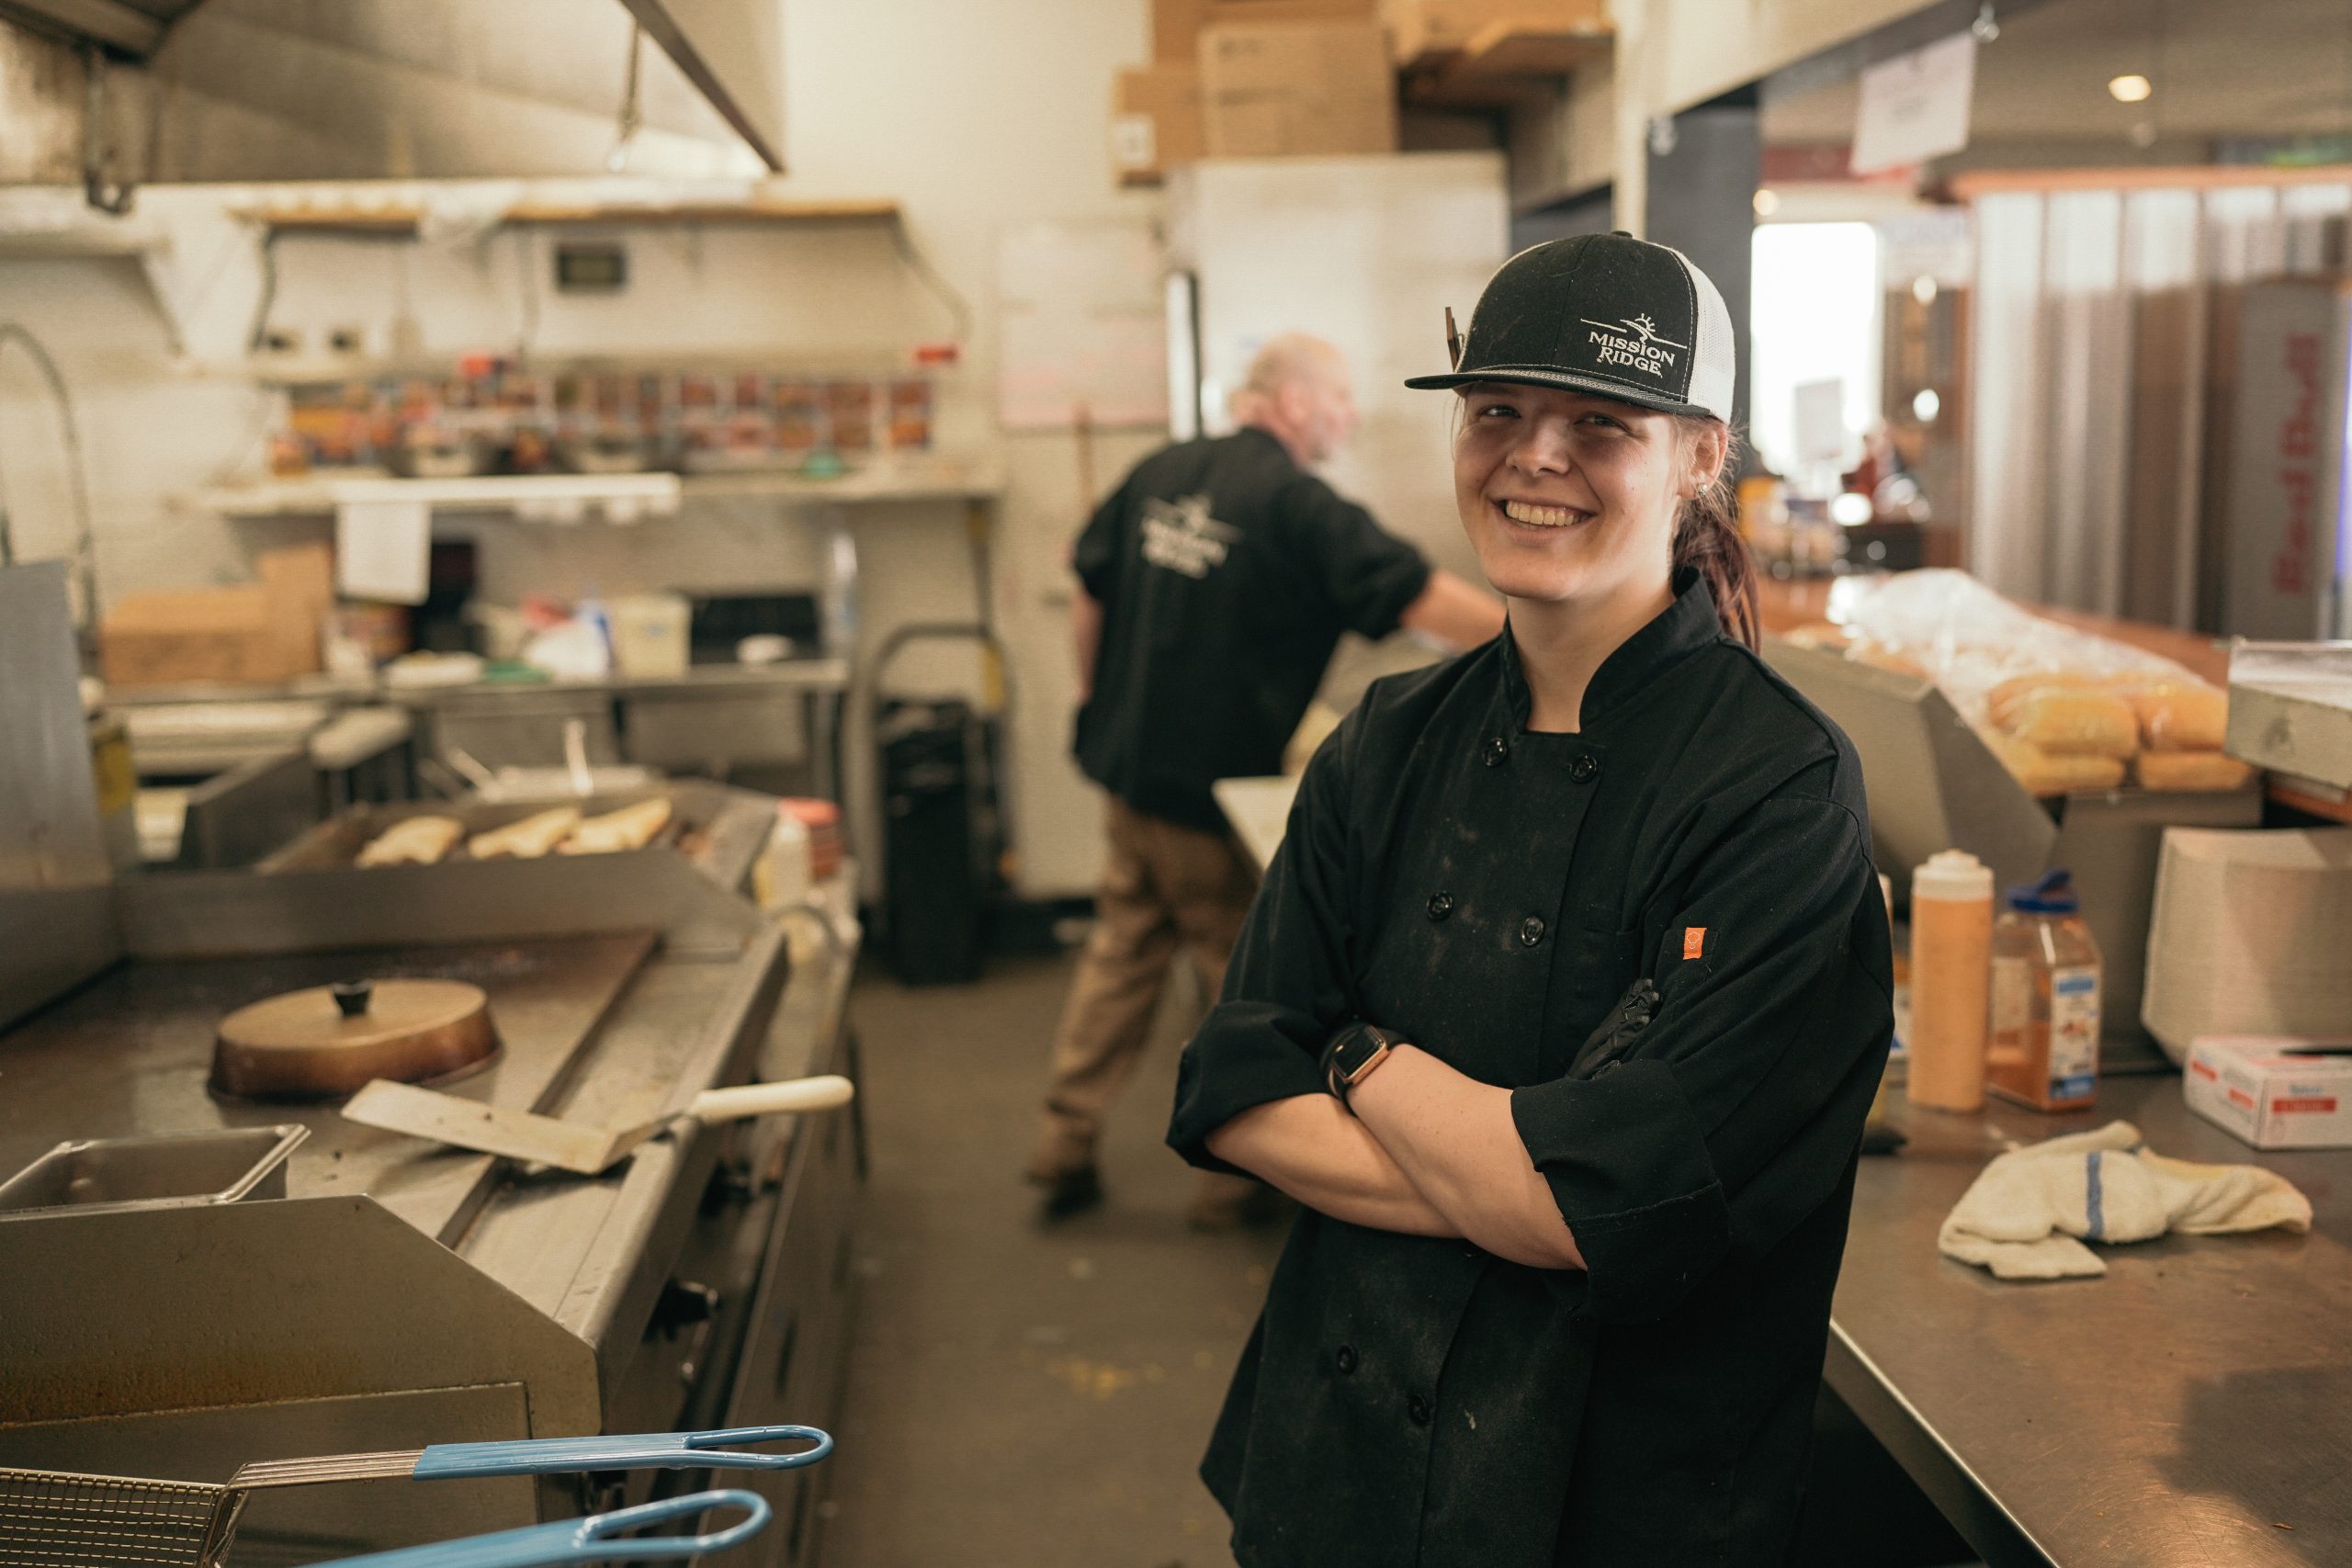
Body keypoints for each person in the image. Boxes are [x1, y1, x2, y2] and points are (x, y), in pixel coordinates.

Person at [1167, 236, 1895, 1563]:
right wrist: (1506, 1161)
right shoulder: (1384, 738)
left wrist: (1354, 1052)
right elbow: (1229, 1085)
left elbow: (1592, 1204)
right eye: (1497, 410)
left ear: (1697, 456)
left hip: (1613, 1498)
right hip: (1335, 1476)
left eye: (1599, 423)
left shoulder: (1779, 791)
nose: (1532, 455)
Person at [1027, 333, 1505, 1227]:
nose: (1348, 418)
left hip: (1127, 770)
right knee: (1231, 969)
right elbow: (1419, 599)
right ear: (1291, 402)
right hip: (1206, 791)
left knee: (1122, 951)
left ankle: (1063, 1139)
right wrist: (1543, 644)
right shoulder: (1297, 504)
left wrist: (1094, 703)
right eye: (1337, 400)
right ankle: (1235, 1178)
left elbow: (1087, 588)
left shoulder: (1163, 470)